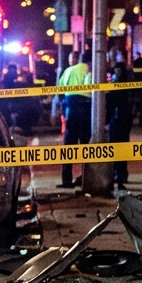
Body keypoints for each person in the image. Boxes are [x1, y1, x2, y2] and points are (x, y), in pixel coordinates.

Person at [56, 51, 93, 189]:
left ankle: (66, 180)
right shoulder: (89, 70)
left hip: (70, 107)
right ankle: (85, 178)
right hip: (85, 107)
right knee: (85, 145)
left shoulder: (68, 70)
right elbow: (92, 88)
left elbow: (60, 88)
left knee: (69, 145)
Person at [106, 56, 135, 189]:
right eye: (115, 70)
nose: (117, 73)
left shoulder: (125, 84)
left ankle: (121, 173)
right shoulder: (113, 82)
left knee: (121, 146)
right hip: (115, 118)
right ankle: (117, 172)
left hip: (122, 118)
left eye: (119, 70)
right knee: (115, 147)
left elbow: (116, 100)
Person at [131, 52, 142, 126]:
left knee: (134, 107)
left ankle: (132, 121)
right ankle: (141, 122)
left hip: (135, 91)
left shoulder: (134, 68)